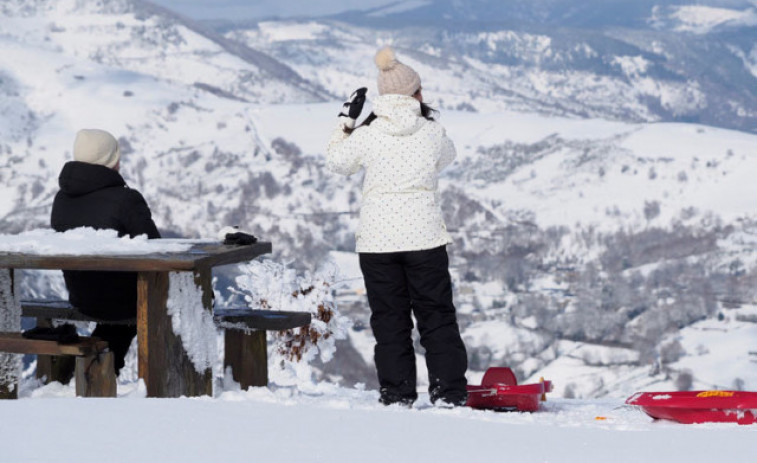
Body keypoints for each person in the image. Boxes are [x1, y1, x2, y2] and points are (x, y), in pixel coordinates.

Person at [326, 47, 468, 407]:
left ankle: (397, 393)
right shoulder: (431, 133)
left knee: (390, 320)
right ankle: (448, 393)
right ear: (416, 94)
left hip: (377, 242)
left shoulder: (368, 135)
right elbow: (447, 157)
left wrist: (346, 122)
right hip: (424, 238)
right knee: (436, 316)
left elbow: (337, 162)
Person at [51, 128, 161, 375]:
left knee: (114, 325)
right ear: (111, 160)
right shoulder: (126, 199)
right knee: (192, 296)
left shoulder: (62, 198)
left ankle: (97, 370)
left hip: (82, 297)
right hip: (125, 301)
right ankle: (172, 384)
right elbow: (157, 250)